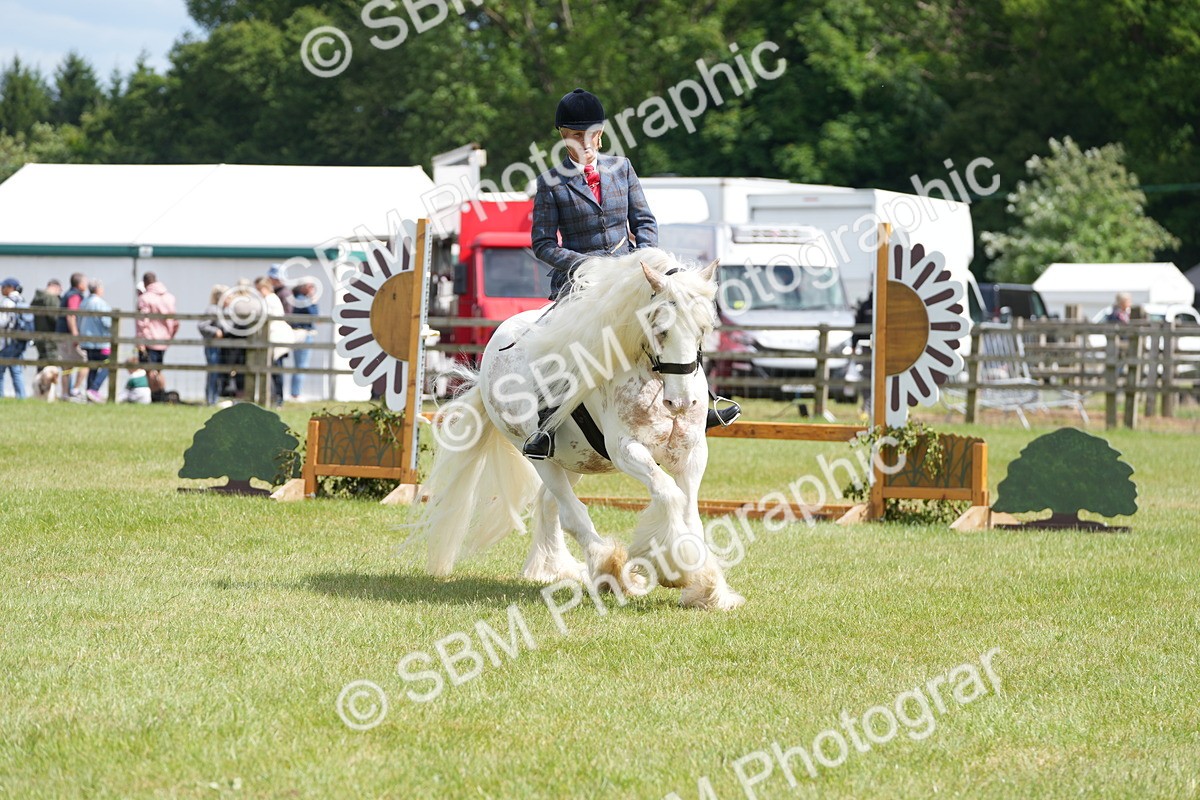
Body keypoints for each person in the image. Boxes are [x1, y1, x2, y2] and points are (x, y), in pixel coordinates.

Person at [523, 87, 738, 458]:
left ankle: (704, 402)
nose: (582, 142)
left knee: (678, 321)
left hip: (630, 275)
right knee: (553, 340)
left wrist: (644, 261)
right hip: (580, 282)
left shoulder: (621, 168)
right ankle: (545, 426)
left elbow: (644, 222)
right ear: (562, 137)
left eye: (588, 135)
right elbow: (543, 244)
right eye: (573, 135)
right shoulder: (551, 182)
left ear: (600, 135)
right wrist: (585, 265)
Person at [256, 276, 290, 407]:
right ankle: (275, 398)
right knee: (275, 370)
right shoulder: (271, 299)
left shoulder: (270, 299)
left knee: (276, 370)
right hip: (273, 339)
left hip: (275, 339)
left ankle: (278, 399)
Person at [79, 279, 113, 402]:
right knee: (108, 364)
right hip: (101, 342)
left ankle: (89, 392)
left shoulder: (84, 302)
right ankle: (94, 388)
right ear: (98, 289)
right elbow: (107, 322)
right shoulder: (101, 304)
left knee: (92, 367)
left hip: (87, 342)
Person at [198, 284, 230, 405]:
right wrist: (215, 331)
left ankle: (214, 398)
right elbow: (202, 325)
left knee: (216, 372)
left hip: (218, 347)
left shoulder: (221, 310)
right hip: (212, 346)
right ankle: (211, 399)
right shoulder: (212, 309)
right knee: (213, 372)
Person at [57, 272, 88, 399]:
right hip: (69, 335)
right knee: (85, 362)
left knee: (66, 365)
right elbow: (71, 315)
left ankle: (65, 393)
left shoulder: (68, 294)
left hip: (62, 334)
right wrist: (75, 334)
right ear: (80, 284)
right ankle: (75, 390)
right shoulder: (75, 296)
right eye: (85, 282)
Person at [288, 278, 318, 401]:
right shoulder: (302, 300)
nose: (312, 289)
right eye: (310, 286)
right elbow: (314, 315)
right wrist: (313, 301)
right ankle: (295, 393)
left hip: (300, 334)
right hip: (303, 334)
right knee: (301, 365)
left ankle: (295, 392)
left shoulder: (297, 298)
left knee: (299, 364)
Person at [0, 277, 30, 398]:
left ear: (10, 288)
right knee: (16, 369)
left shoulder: (8, 301)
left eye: (3, 287)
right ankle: (21, 396)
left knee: (1, 371)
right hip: (19, 342)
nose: (1, 289)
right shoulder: (22, 300)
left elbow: (2, 322)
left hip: (7, 342)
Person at [29, 278, 61, 364]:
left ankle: (39, 377)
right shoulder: (51, 299)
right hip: (50, 337)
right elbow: (55, 318)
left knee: (42, 360)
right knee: (51, 363)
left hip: (38, 335)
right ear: (55, 287)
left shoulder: (37, 298)